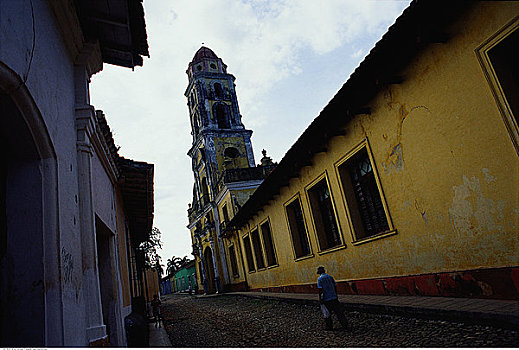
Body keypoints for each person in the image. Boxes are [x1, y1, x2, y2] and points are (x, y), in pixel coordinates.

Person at [317, 266, 348, 331]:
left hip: (326, 299)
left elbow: (320, 290)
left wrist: (320, 298)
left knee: (327, 313)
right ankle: (345, 325)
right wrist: (336, 294)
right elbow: (334, 286)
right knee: (339, 312)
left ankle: (329, 326)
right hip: (333, 297)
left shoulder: (319, 279)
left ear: (319, 272)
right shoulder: (330, 277)